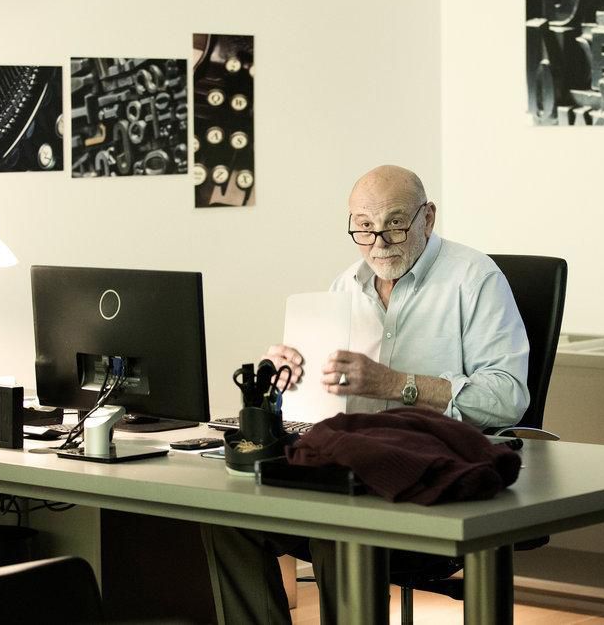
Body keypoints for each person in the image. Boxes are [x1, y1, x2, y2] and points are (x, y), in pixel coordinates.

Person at [201, 164, 529, 624]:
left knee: (339, 525)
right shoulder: (345, 287)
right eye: (364, 228)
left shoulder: (474, 279)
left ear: (427, 218)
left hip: (431, 477)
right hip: (353, 469)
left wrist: (396, 384)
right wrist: (286, 380)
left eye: (395, 224)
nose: (378, 242)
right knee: (227, 515)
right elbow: (326, 405)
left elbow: (508, 396)